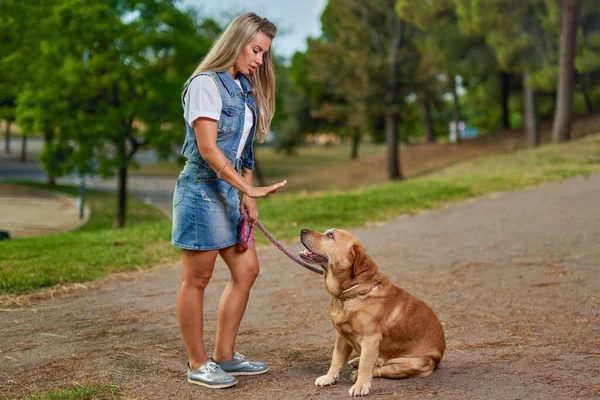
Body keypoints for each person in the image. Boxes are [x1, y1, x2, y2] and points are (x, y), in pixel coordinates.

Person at [171, 12, 287, 389]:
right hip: (201, 192)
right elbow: (208, 150)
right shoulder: (205, 85)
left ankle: (224, 356)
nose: (259, 60)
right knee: (198, 278)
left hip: (228, 193)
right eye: (256, 50)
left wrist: (246, 195)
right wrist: (247, 188)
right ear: (236, 42)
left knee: (246, 271)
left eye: (264, 54)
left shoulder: (243, 90)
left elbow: (243, 152)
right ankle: (198, 363)